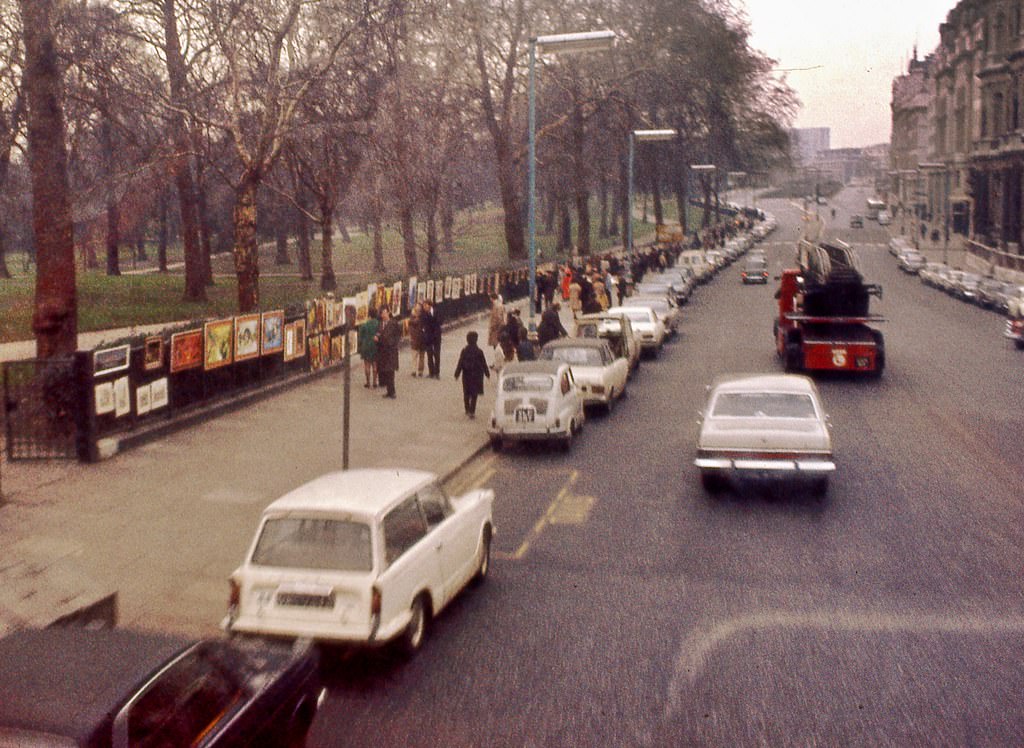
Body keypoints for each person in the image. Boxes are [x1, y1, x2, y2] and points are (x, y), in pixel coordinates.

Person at [454, 331, 490, 418]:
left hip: (466, 375)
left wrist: (457, 373)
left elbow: (460, 362)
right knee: (474, 394)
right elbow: (484, 363)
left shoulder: (464, 351)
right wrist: (487, 373)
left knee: (466, 392)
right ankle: (472, 411)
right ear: (476, 340)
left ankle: (467, 409)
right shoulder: (479, 351)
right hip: (477, 376)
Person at [374, 306, 401, 398]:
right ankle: (388, 391)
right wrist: (376, 338)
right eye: (382, 313)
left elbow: (398, 335)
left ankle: (392, 392)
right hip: (382, 351)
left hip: (391, 351)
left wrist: (394, 344)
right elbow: (378, 333)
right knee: (385, 371)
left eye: (385, 313)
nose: (383, 315)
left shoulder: (394, 323)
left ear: (388, 313)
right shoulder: (380, 324)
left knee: (390, 371)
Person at [357, 308, 379, 388]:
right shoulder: (378, 324)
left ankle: (368, 382)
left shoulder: (364, 325)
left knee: (367, 365)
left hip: (366, 346)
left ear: (369, 315)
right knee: (375, 364)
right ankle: (375, 382)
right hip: (375, 346)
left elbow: (360, 337)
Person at [421, 299, 442, 378]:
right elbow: (423, 324)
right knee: (429, 354)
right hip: (428, 337)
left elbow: (440, 321)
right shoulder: (424, 314)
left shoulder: (437, 312)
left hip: (436, 336)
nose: (424, 307)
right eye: (423, 306)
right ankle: (431, 372)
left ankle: (437, 372)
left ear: (430, 305)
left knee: (437, 355)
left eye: (425, 306)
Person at [487, 293, 505, 369]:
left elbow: (497, 318)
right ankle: (497, 362)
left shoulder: (496, 306)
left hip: (496, 329)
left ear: (492, 298)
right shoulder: (500, 305)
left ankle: (498, 362)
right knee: (497, 346)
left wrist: (492, 327)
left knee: (496, 346)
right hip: (499, 328)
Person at [408, 301, 426, 377]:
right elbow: (411, 327)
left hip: (421, 338)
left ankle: (420, 370)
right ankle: (414, 370)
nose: (418, 309)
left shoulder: (421, 317)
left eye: (419, 308)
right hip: (415, 338)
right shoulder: (414, 317)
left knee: (420, 355)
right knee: (415, 355)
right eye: (417, 307)